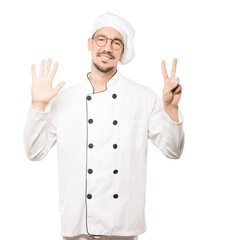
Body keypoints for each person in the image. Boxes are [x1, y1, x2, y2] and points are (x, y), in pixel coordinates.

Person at [23, 12, 185, 240]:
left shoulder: (143, 97)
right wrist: (38, 105)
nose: (107, 47)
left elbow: (173, 150)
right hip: (76, 228)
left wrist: (171, 109)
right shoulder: (64, 99)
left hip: (123, 229)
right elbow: (34, 151)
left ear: (122, 51)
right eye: (101, 39)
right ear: (90, 43)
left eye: (116, 42)